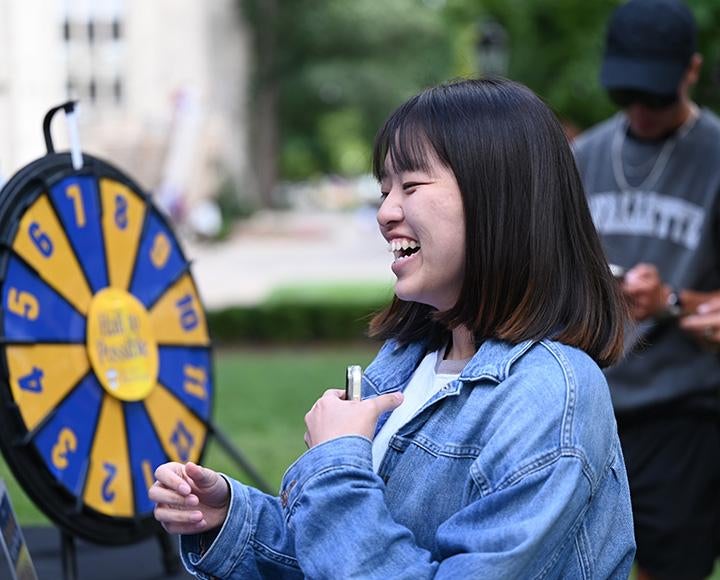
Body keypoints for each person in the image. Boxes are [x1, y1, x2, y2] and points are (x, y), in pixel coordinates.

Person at [151, 78, 635, 579]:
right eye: (385, 190)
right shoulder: (408, 362)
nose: (385, 213)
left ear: (497, 197)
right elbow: (339, 555)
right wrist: (233, 519)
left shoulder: (551, 395)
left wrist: (338, 465)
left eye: (411, 186)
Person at [572, 1, 720, 578]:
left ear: (691, 71)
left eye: (654, 94)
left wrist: (672, 302)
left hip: (682, 412)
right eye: (625, 92)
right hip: (585, 405)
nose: (639, 109)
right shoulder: (583, 158)